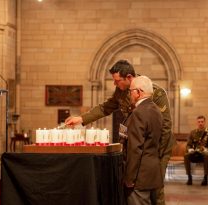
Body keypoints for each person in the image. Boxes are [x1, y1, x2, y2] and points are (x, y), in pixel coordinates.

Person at [65, 60, 174, 204]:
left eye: (117, 81)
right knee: (137, 189)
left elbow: (165, 127)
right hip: (138, 146)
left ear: (129, 77)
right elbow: (106, 107)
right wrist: (81, 118)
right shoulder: (121, 92)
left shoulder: (154, 92)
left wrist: (155, 156)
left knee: (156, 191)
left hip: (156, 149)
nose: (115, 84)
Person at [123, 75, 163, 205]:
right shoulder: (156, 110)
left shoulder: (139, 112)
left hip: (139, 175)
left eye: (130, 91)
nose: (129, 94)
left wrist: (129, 178)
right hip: (152, 172)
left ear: (138, 92)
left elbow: (135, 148)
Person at [184, 115, 208, 186]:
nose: (200, 123)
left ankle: (205, 178)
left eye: (202, 122)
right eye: (199, 122)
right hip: (195, 153)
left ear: (205, 122)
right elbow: (188, 145)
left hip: (204, 154)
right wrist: (189, 149)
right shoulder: (192, 132)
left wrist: (207, 149)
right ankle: (189, 177)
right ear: (197, 123)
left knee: (206, 155)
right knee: (186, 155)